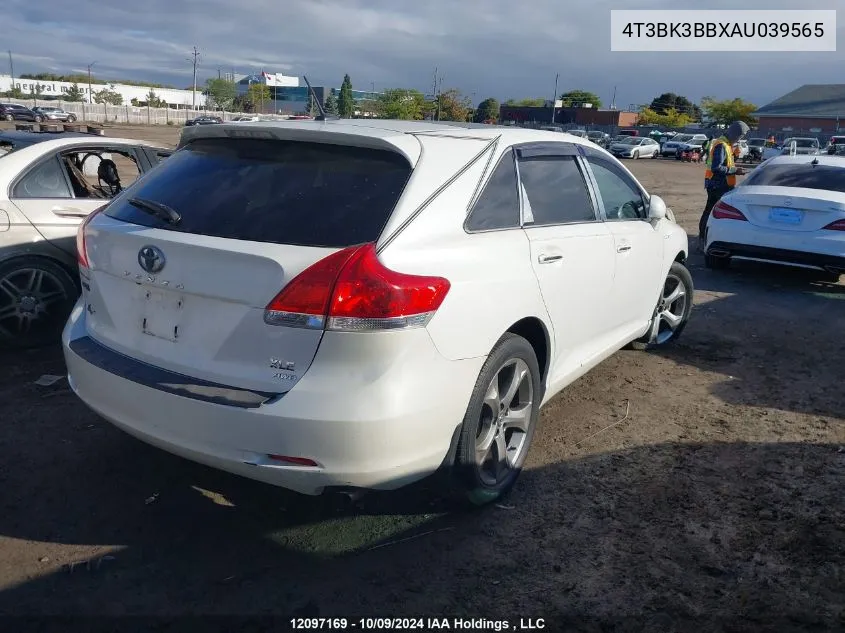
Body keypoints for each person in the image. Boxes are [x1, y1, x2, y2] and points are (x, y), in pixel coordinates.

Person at [698, 121, 749, 244]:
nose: (739, 139)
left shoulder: (726, 144)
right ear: (735, 134)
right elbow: (717, 167)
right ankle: (704, 238)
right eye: (740, 136)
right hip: (717, 185)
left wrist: (735, 157)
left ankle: (706, 238)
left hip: (721, 184)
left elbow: (725, 163)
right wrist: (735, 171)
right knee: (711, 212)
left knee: (711, 212)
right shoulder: (721, 145)